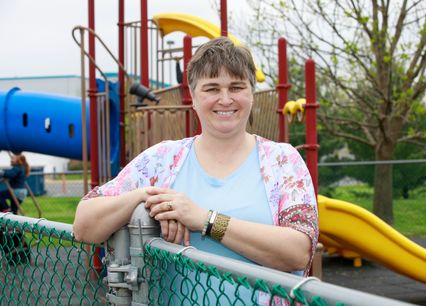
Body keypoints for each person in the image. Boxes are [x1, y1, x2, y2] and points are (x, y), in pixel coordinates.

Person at [73, 37, 318, 279]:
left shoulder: (282, 161)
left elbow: (298, 252)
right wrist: (146, 197)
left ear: (251, 93)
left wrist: (204, 219)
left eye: (236, 87)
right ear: (193, 95)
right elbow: (84, 225)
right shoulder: (163, 160)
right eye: (212, 88)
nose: (225, 99)